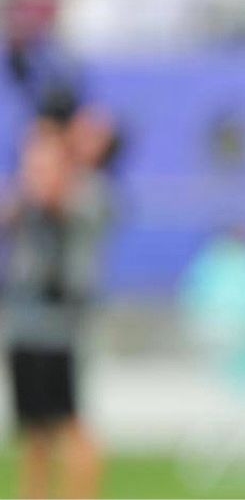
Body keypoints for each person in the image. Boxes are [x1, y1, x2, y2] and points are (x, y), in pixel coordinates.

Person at [0, 104, 113, 499]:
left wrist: (60, 152)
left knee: (70, 424)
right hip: (26, 325)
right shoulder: (24, 196)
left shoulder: (87, 192)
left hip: (60, 329)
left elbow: (55, 198)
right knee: (35, 431)